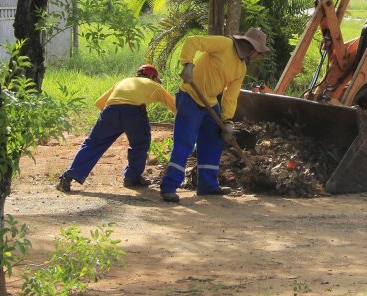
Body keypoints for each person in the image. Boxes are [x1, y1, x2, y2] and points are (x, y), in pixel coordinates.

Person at [160, 28, 271, 203]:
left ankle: (207, 185)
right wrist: (188, 64)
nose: (258, 55)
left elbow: (230, 96)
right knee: (185, 143)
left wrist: (226, 121)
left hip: (211, 103)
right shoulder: (223, 44)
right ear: (251, 47)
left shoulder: (240, 68)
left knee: (214, 141)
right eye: (259, 51)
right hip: (190, 96)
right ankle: (169, 187)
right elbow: (192, 41)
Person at [57, 64, 176, 193]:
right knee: (140, 144)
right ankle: (132, 178)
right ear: (152, 77)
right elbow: (176, 108)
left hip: (110, 111)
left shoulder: (123, 81)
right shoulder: (154, 86)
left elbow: (99, 103)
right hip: (134, 113)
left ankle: (69, 176)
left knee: (93, 144)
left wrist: (115, 116)